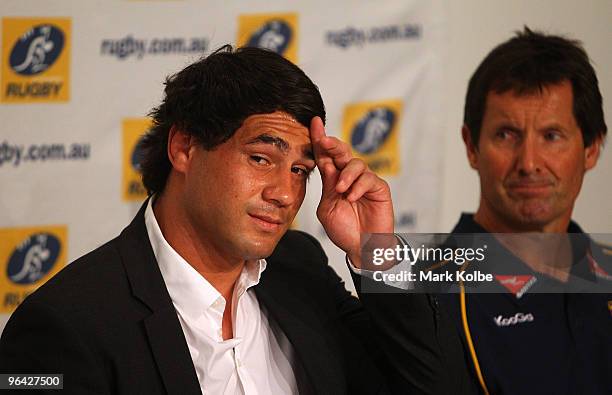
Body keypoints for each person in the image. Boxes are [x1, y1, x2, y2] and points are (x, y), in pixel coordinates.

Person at [0, 45, 397, 394]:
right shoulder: (65, 324)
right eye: (261, 159)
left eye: (299, 170)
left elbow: (430, 380)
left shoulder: (300, 264)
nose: (285, 194)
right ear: (184, 147)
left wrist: (381, 251)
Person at [352, 27, 611, 395]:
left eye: (551, 136)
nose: (529, 163)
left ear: (591, 149)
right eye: (507, 135)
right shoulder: (421, 298)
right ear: (472, 146)